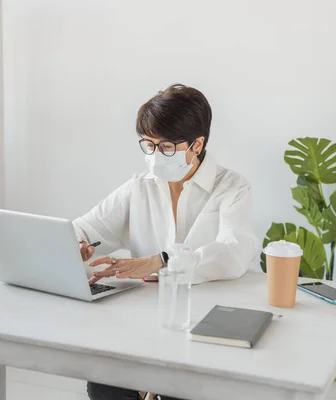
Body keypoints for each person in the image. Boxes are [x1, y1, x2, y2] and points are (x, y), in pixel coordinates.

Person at [73, 84, 259, 400]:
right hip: (144, 321)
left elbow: (234, 252)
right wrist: (80, 243)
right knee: (104, 382)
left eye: (166, 147)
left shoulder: (232, 188)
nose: (156, 156)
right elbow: (85, 227)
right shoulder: (139, 187)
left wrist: (161, 261)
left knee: (179, 392)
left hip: (208, 324)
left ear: (197, 143)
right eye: (148, 145)